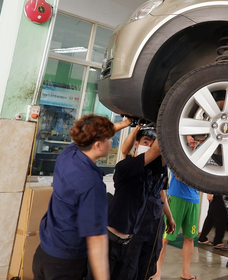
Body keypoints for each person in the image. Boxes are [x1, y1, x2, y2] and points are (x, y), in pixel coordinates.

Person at [33, 114, 130, 280]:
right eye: (108, 139)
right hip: (65, 264)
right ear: (98, 145)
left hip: (44, 254)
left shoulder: (68, 155)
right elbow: (96, 238)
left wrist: (126, 123)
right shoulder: (92, 184)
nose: (111, 141)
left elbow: (88, 135)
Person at [103, 125, 176, 280]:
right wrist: (167, 122)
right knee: (128, 266)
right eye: (145, 141)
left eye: (152, 142)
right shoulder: (128, 166)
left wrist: (169, 216)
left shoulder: (155, 168)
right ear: (136, 144)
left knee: (147, 261)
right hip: (132, 228)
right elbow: (126, 150)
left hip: (153, 220)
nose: (149, 145)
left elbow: (162, 189)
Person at [154, 136, 201, 280]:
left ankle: (185, 272)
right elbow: (181, 176)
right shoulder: (179, 151)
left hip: (194, 200)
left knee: (190, 238)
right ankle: (156, 272)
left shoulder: (202, 154)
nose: (194, 139)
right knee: (165, 238)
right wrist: (198, 174)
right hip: (177, 198)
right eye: (191, 136)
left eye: (197, 137)